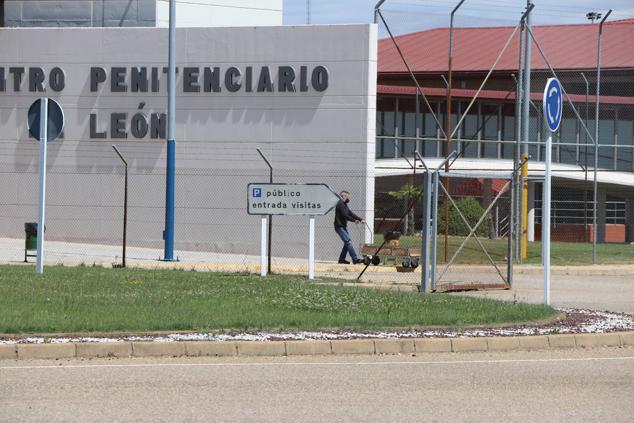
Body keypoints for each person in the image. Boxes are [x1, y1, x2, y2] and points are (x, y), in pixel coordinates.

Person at [334, 191, 365, 264]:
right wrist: (354, 220)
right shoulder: (340, 204)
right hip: (339, 227)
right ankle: (355, 259)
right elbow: (345, 215)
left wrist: (360, 219)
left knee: (346, 243)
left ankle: (341, 259)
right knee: (349, 242)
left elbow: (350, 213)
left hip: (343, 227)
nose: (349, 198)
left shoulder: (344, 204)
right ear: (343, 196)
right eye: (348, 197)